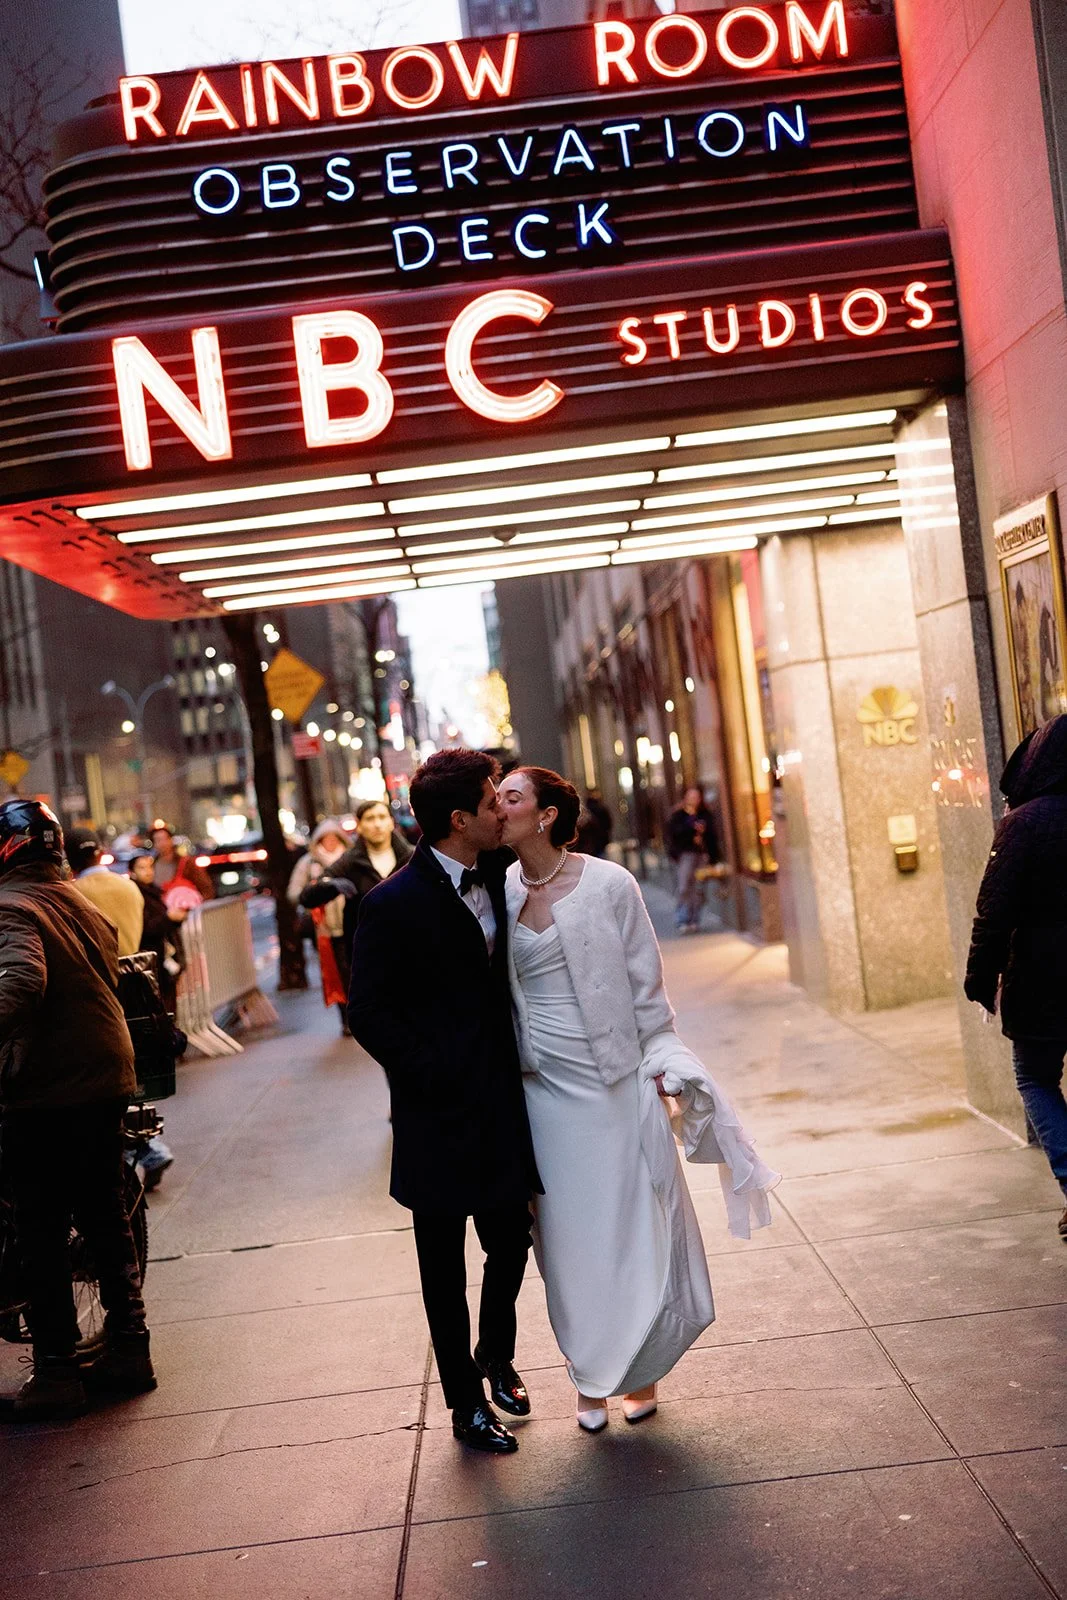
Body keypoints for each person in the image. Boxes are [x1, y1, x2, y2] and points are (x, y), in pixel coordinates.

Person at [498, 765, 776, 1433]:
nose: (497, 807)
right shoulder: (496, 889)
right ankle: (589, 1377)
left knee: (629, 1233)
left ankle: (639, 1371)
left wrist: (663, 1058)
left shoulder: (610, 884)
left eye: (510, 797)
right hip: (540, 1094)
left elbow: (647, 991)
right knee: (564, 1244)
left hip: (613, 1086)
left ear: (545, 815)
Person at [347, 750, 541, 1456]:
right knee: (442, 1269)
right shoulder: (389, 903)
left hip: (499, 1103)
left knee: (511, 1241)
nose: (500, 811)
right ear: (458, 820)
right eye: (491, 802)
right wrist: (432, 1071)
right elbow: (368, 1013)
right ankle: (465, 1405)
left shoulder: (502, 874)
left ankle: (495, 1353)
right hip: (434, 1114)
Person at [0, 800, 155, 1422]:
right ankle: (131, 1349)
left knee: (38, 1225)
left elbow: (20, 982)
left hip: (48, 1085)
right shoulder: (77, 901)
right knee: (103, 1214)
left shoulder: (11, 905)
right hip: (104, 1073)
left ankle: (57, 1370)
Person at [965, 715, 1067, 1241]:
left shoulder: (1023, 823)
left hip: (1044, 978)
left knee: (1035, 1078)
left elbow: (994, 912)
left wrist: (980, 979)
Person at [299, 800, 413, 968]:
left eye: (382, 817)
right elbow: (307, 897)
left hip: (411, 950)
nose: (377, 824)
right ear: (359, 826)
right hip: (368, 957)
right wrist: (330, 886)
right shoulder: (349, 862)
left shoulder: (413, 857)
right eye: (370, 818)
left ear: (391, 822)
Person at [126, 853, 183, 1189]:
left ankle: (147, 1152)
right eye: (142, 867)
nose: (148, 872)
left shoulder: (149, 893)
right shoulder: (134, 893)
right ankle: (149, 1151)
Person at [288, 819, 353, 1035]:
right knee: (336, 973)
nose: (331, 842)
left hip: (351, 924)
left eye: (335, 838)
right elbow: (294, 893)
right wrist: (314, 894)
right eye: (327, 839)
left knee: (354, 971)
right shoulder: (309, 863)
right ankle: (346, 1017)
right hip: (324, 929)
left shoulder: (350, 859)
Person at [66, 827, 144, 957]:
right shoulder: (130, 886)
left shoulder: (72, 894)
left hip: (96, 968)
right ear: (101, 853)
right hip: (132, 966)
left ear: (69, 860)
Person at [667, 785, 720, 932]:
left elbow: (712, 836)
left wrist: (714, 857)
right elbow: (673, 834)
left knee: (699, 888)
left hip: (702, 855)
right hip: (685, 854)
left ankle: (695, 919)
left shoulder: (705, 814)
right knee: (684, 886)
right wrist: (691, 830)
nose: (694, 800)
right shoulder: (678, 815)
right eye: (691, 797)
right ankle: (683, 918)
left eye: (696, 797)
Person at [151, 824, 214, 903]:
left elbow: (206, 889)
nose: (162, 843)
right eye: (158, 840)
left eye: (165, 839)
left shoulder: (186, 863)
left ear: (171, 840)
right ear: (154, 844)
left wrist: (194, 905)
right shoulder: (151, 866)